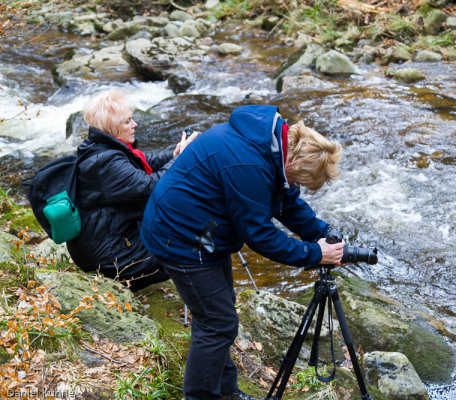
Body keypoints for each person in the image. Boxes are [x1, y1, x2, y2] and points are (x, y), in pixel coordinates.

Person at [140, 105, 345, 400]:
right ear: (295, 161)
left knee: (216, 314)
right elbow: (260, 235)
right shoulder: (249, 165)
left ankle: (226, 392)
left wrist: (321, 234)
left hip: (204, 232)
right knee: (218, 322)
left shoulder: (272, 147)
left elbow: (287, 202)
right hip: (179, 236)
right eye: (299, 180)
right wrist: (314, 254)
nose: (297, 186)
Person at [66, 89, 197, 291]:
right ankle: (205, 303)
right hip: (112, 257)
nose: (134, 124)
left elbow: (144, 163)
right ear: (112, 127)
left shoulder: (101, 148)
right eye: (127, 121)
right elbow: (150, 187)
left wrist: (174, 153)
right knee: (195, 244)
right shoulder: (105, 162)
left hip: (109, 243)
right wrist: (180, 160)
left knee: (190, 234)